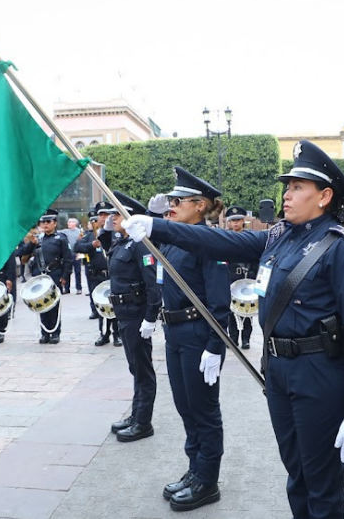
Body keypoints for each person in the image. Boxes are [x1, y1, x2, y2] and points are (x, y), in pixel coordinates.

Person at [124, 149, 344, 518]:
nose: (287, 195)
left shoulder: (342, 248)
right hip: (279, 372)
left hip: (319, 374)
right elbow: (217, 243)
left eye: (297, 187)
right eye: (287, 187)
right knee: (296, 474)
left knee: (321, 481)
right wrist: (157, 226)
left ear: (324, 196)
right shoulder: (279, 238)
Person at [120, 167, 233, 511]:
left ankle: (207, 481)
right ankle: (194, 469)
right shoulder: (178, 238)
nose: (171, 205)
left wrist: (216, 346)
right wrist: (154, 216)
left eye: (177, 201)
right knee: (186, 408)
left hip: (199, 334)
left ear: (199, 205)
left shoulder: (208, 241)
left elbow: (219, 301)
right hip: (175, 333)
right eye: (170, 200)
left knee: (203, 409)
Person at [105, 191, 163, 442]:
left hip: (137, 314)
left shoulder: (141, 245)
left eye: (116, 214)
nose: (112, 218)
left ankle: (143, 422)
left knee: (142, 369)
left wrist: (151, 317)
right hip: (124, 314)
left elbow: (153, 283)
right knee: (134, 367)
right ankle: (136, 413)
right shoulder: (123, 242)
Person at [18, 209, 72, 344]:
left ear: (54, 223)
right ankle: (44, 333)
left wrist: (65, 275)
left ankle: (55, 333)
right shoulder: (38, 239)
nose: (45, 224)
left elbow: (68, 258)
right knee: (41, 306)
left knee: (54, 305)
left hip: (55, 275)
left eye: (48, 222)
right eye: (43, 222)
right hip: (40, 276)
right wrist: (31, 243)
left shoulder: (61, 238)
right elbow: (23, 252)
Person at [76, 202, 117, 345]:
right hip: (97, 276)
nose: (103, 217)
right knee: (101, 306)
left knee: (115, 306)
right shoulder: (91, 234)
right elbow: (77, 247)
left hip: (113, 275)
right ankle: (104, 334)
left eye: (106, 214)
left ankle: (117, 335)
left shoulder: (115, 233)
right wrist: (90, 245)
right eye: (101, 215)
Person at [222, 206, 257, 350]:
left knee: (247, 310)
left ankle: (246, 339)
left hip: (247, 277)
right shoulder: (224, 238)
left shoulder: (251, 237)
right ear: (228, 223)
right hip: (231, 278)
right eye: (232, 221)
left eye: (238, 220)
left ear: (243, 220)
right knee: (231, 311)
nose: (235, 223)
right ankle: (233, 338)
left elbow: (256, 259)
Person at [60, 217, 82, 294]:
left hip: (76, 254)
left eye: (70, 222)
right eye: (68, 222)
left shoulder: (80, 232)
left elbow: (82, 243)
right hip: (68, 255)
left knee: (77, 272)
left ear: (75, 223)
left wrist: (80, 253)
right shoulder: (65, 232)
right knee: (67, 271)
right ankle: (66, 288)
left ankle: (79, 288)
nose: (68, 223)